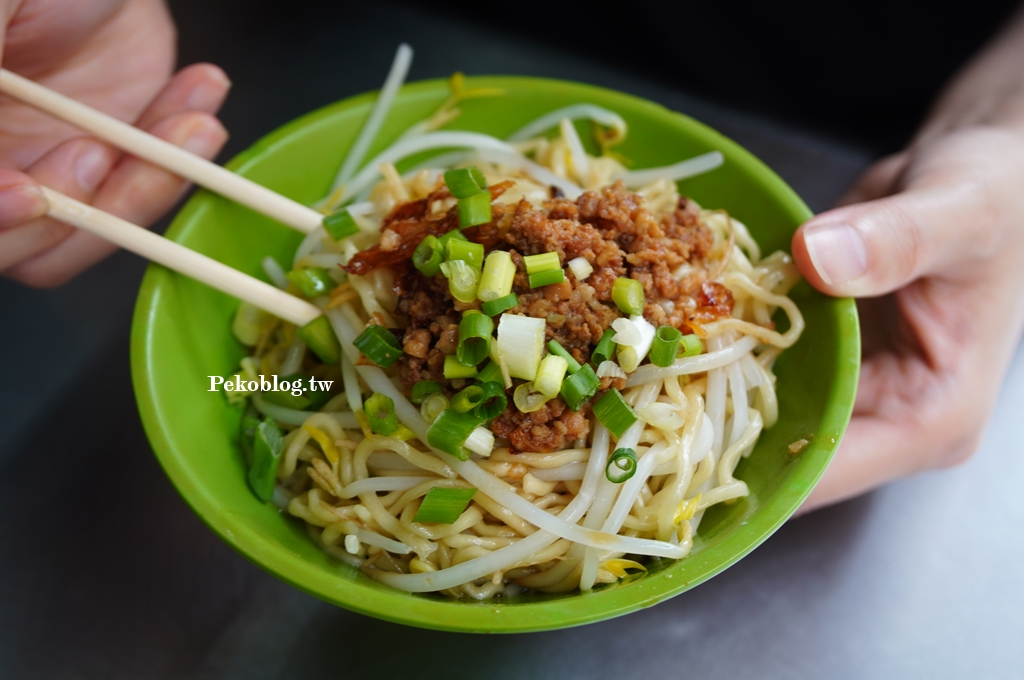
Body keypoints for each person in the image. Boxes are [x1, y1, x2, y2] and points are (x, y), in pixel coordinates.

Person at [2, 0, 1022, 513]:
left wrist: (1006, 132)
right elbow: (242, 375)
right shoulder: (374, 293)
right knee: (270, 374)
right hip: (343, 25)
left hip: (845, 92)